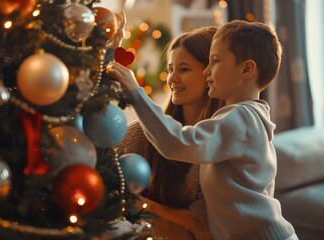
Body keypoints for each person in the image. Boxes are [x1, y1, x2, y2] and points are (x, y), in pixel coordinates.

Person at [107, 20, 298, 240]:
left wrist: (135, 92)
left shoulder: (241, 119)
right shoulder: (243, 118)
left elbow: (177, 143)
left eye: (215, 61)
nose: (208, 71)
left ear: (246, 69)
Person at [117, 26, 224, 240]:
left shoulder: (221, 139)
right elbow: (104, 164)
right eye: (171, 68)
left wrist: (148, 206)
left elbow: (208, 222)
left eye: (184, 69)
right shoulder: (142, 134)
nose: (172, 78)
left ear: (209, 74)